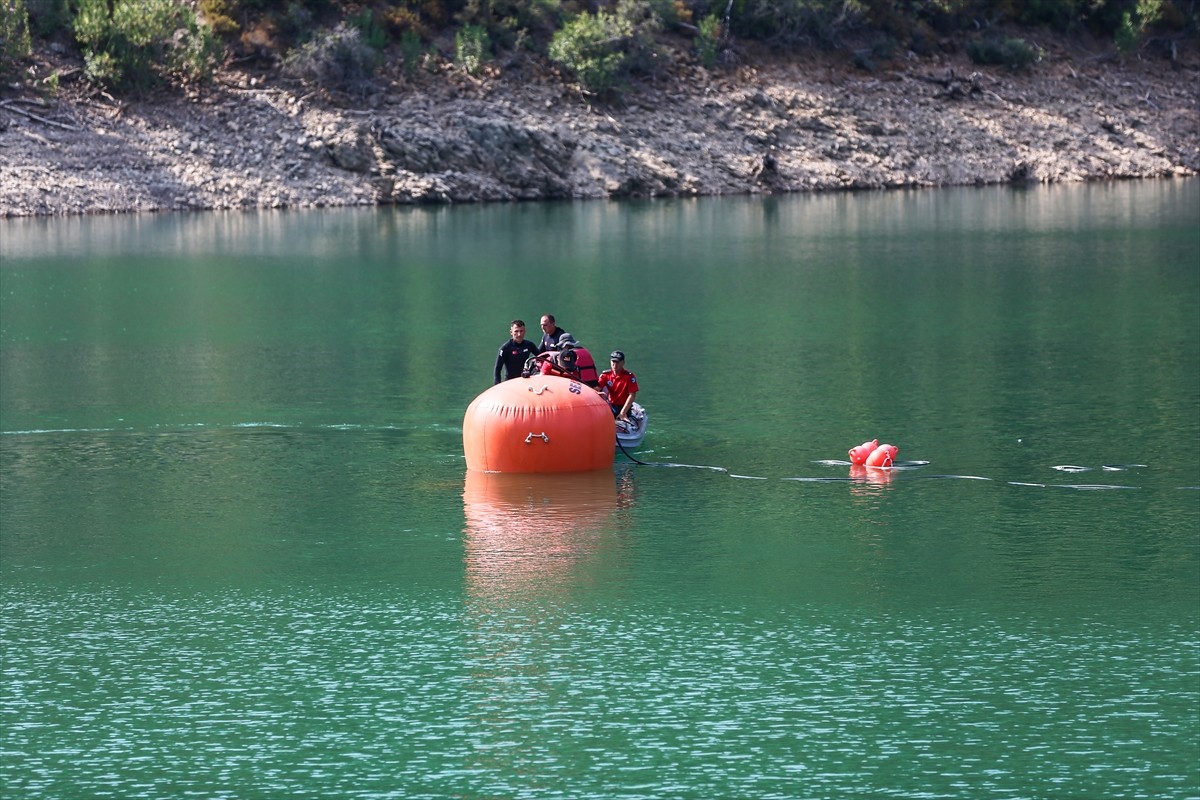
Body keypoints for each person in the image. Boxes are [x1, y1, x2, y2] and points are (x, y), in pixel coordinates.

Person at [596, 350, 638, 420]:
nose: (615, 364)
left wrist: (623, 413)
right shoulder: (605, 375)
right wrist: (598, 393)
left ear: (623, 363)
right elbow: (597, 388)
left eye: (617, 362)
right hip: (611, 406)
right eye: (613, 362)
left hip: (624, 407)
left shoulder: (629, 376)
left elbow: (632, 395)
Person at [493, 320, 539, 384]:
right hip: (510, 382)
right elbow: (497, 369)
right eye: (516, 331)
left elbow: (541, 357)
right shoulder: (505, 348)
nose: (519, 334)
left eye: (521, 331)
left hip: (525, 380)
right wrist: (497, 385)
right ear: (511, 332)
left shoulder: (529, 345)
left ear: (525, 332)